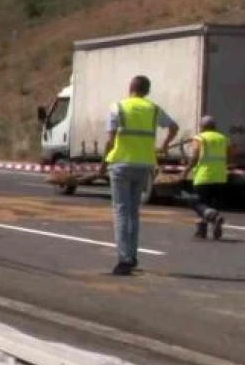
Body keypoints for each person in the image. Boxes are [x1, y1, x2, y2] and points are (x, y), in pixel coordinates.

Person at [99, 75, 178, 276]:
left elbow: (111, 139)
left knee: (121, 212)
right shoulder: (152, 109)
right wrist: (164, 146)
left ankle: (124, 259)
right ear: (147, 91)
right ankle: (132, 256)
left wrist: (102, 164)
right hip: (144, 165)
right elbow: (173, 127)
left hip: (121, 164)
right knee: (133, 212)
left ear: (130, 88)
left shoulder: (118, 107)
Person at [182, 115, 235, 240]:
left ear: (202, 126)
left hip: (203, 176)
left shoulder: (200, 138)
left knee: (197, 202)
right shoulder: (223, 138)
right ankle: (202, 230)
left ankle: (214, 218)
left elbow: (195, 157)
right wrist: (227, 165)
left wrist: (186, 170)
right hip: (220, 176)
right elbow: (231, 154)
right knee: (210, 204)